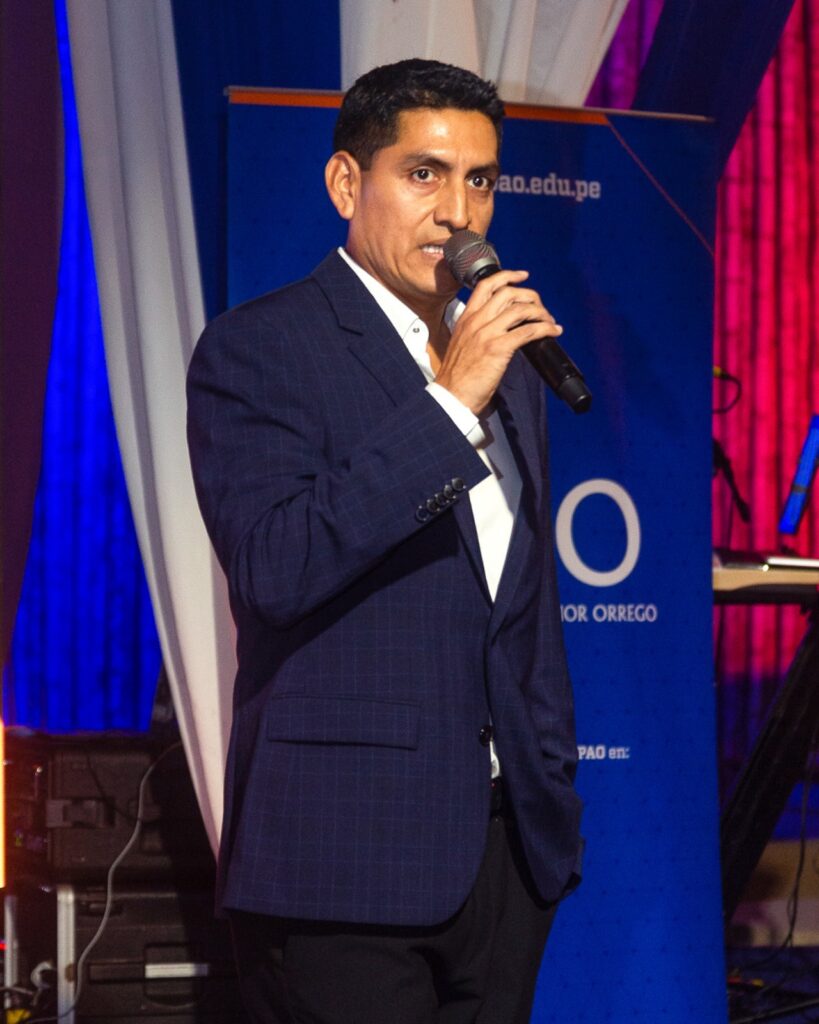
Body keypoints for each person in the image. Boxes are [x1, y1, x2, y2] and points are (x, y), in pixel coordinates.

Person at [187, 58, 582, 1024]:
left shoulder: (508, 368)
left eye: (479, 180)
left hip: (506, 854)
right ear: (345, 183)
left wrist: (550, 783)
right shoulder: (259, 347)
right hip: (342, 858)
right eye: (423, 174)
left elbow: (519, 604)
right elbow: (277, 566)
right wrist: (449, 405)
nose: (457, 212)